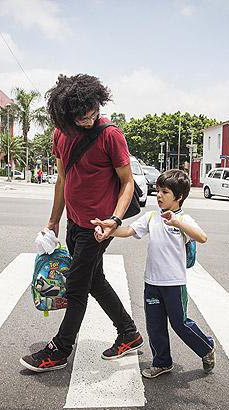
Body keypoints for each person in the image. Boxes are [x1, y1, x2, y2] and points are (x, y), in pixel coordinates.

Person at [20, 74, 143, 372]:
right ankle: (129, 333)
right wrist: (53, 222)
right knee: (94, 280)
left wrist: (114, 221)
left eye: (93, 114)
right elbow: (62, 178)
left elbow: (127, 183)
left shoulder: (110, 134)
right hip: (75, 224)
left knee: (76, 286)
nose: (89, 121)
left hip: (99, 227)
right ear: (66, 116)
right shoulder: (60, 134)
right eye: (82, 118)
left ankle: (60, 349)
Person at [105, 169, 216, 379]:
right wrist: (109, 229)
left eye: (164, 192)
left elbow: (202, 237)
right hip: (152, 283)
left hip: (174, 284)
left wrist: (177, 222)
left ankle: (206, 347)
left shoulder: (184, 219)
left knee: (180, 323)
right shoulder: (152, 217)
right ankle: (162, 362)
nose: (158, 195)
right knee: (155, 325)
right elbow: (129, 231)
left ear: (179, 197)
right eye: (157, 190)